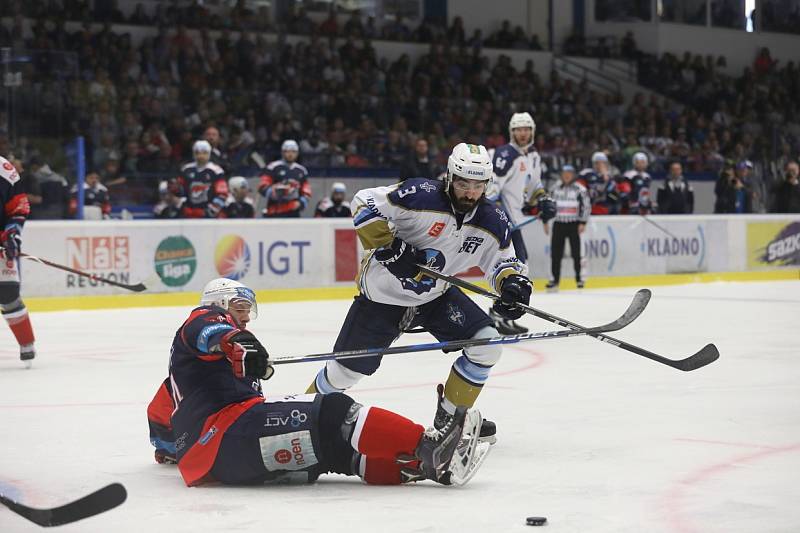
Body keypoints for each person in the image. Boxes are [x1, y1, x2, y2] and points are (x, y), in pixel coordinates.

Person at [146, 278, 486, 487]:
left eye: (249, 308)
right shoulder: (204, 320)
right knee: (333, 411)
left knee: (334, 449)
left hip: (225, 458)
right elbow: (207, 332)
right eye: (239, 306)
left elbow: (159, 416)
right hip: (227, 437)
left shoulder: (181, 379)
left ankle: (422, 467)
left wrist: (170, 449)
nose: (246, 314)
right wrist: (237, 341)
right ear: (218, 304)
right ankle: (428, 447)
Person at [305, 143, 534, 446]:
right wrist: (388, 247)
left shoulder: (493, 220)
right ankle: (299, 419)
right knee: (344, 373)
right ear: (450, 177)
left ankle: (452, 417)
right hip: (383, 297)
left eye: (478, 186)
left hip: (435, 297)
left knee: (486, 345)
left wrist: (512, 285)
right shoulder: (419, 194)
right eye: (464, 183)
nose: (470, 192)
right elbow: (363, 203)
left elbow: (503, 262)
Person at [486, 113, 556, 334]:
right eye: (518, 129)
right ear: (511, 132)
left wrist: (543, 198)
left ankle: (504, 313)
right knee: (515, 266)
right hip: (504, 220)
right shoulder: (505, 154)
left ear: (532, 131)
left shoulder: (533, 156)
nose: (522, 133)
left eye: (526, 129)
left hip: (515, 221)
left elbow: (534, 186)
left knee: (518, 267)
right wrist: (496, 215)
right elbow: (492, 189)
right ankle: (499, 314)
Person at [0, 155, 35, 366]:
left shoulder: (3, 169)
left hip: (1, 242)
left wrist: (13, 232)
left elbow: (18, 208)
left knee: (8, 294)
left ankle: (26, 343)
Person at [544, 166, 591, 291]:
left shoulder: (580, 189)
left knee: (577, 253)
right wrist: (546, 221)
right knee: (556, 254)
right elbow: (547, 204)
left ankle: (579, 278)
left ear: (573, 175)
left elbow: (586, 206)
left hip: (574, 224)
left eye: (569, 173)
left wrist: (583, 222)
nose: (566, 176)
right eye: (564, 173)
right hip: (558, 223)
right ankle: (554, 280)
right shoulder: (554, 188)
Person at [258, 140, 311, 218]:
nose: (290, 154)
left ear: (297, 153)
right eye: (287, 151)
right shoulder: (273, 167)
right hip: (275, 209)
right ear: (282, 152)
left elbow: (306, 191)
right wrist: (274, 192)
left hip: (293, 210)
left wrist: (301, 202)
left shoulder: (301, 170)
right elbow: (262, 186)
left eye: (293, 151)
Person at [177, 140, 228, 218]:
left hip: (209, 216)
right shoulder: (186, 169)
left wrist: (209, 212)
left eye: (204, 152)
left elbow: (222, 195)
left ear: (209, 153)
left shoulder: (216, 171)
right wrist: (183, 208)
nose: (200, 156)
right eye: (197, 152)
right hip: (188, 214)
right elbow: (180, 192)